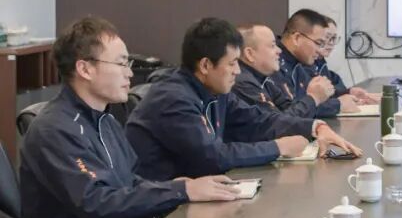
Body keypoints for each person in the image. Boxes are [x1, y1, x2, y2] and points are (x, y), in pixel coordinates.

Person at [19, 17, 240, 218]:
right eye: (122, 63)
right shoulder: (55, 130)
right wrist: (181, 191)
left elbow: (128, 181)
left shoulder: (105, 120)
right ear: (85, 69)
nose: (130, 73)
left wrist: (177, 186)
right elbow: (97, 204)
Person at [126, 18, 362, 181]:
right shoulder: (173, 98)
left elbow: (260, 120)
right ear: (205, 65)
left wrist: (315, 127)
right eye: (231, 64)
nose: (237, 71)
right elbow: (211, 157)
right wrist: (278, 147)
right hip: (160, 216)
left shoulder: (216, 91)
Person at [232, 23, 335, 118]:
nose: (279, 50)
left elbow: (289, 107)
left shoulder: (265, 79)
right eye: (272, 46)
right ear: (250, 54)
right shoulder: (243, 82)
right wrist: (313, 98)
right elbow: (275, 123)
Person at [278, 9, 362, 117]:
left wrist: (346, 93)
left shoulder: (299, 62)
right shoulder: (274, 64)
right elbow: (288, 113)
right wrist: (337, 105)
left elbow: (312, 99)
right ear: (297, 38)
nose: (319, 50)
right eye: (318, 43)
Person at [310, 16, 377, 103]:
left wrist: (349, 92)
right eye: (327, 37)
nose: (331, 43)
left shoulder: (322, 65)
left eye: (334, 38)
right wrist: (339, 104)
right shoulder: (303, 66)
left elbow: (331, 93)